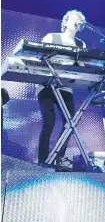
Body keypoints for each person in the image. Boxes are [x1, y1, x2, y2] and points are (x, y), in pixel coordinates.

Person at [37, 10, 87, 165]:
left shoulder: (81, 44)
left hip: (66, 88)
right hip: (47, 85)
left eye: (80, 20)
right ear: (65, 22)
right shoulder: (52, 37)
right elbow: (40, 57)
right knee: (49, 122)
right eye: (75, 18)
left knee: (70, 123)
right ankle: (43, 160)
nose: (78, 21)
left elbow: (82, 68)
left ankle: (58, 158)